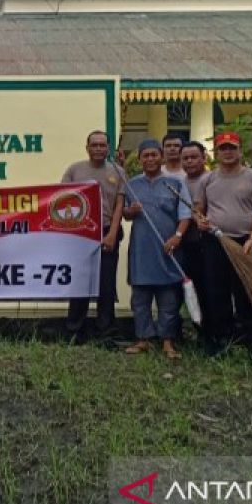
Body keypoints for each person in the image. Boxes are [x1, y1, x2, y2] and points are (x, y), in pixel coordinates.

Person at [195, 132, 252, 357]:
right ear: (216, 153)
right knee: (217, 292)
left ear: (239, 151)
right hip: (215, 242)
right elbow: (198, 208)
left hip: (245, 242)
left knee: (247, 291)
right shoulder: (208, 179)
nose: (228, 152)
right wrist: (200, 220)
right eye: (223, 148)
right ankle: (222, 339)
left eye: (232, 148)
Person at [122, 139, 191, 360]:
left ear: (160, 157)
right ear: (140, 159)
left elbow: (185, 214)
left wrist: (178, 236)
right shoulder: (132, 184)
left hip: (168, 249)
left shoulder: (175, 183)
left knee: (169, 299)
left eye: (154, 155)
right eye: (145, 156)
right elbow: (124, 214)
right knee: (140, 299)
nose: (150, 159)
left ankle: (167, 341)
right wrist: (130, 211)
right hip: (142, 251)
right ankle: (143, 339)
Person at [60, 130, 126, 340]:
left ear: (108, 148)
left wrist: (112, 234)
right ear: (87, 147)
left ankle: (105, 332)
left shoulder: (118, 171)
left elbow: (119, 205)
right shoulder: (74, 170)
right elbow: (61, 199)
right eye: (94, 145)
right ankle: (74, 330)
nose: (98, 149)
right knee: (80, 282)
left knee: (106, 285)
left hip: (108, 230)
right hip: (80, 232)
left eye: (102, 145)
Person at [176, 141, 209, 345]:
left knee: (210, 291)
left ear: (204, 158)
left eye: (193, 157)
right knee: (191, 289)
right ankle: (197, 330)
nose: (189, 162)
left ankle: (213, 333)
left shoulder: (212, 179)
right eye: (185, 158)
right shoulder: (180, 182)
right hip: (186, 245)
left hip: (209, 245)